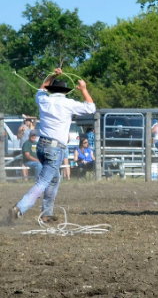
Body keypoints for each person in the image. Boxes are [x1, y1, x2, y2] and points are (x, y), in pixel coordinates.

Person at [7, 68, 95, 224]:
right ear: (65, 91)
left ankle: (46, 213)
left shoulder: (44, 100)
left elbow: (41, 89)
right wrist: (84, 89)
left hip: (41, 145)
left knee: (54, 179)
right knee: (44, 181)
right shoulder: (68, 103)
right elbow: (91, 108)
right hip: (55, 148)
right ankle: (19, 208)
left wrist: (53, 75)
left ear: (51, 89)